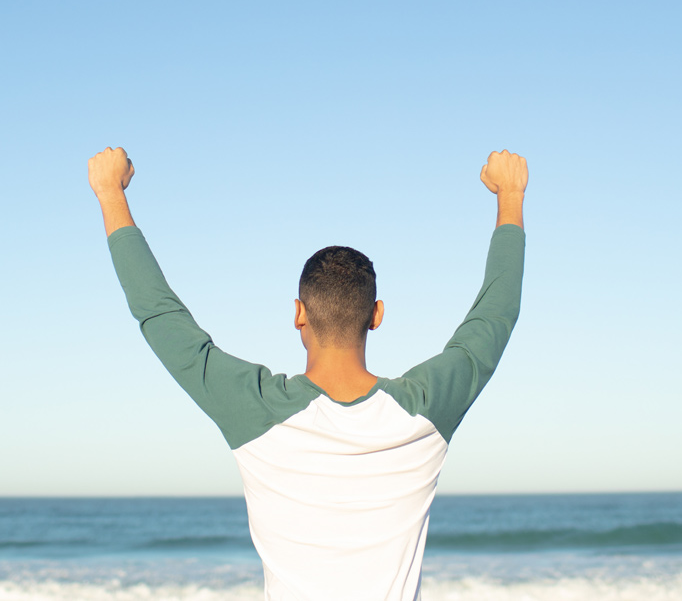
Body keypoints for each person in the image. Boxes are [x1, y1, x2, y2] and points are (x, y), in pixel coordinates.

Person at [88, 147, 527, 600]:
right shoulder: (426, 409)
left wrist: (109, 192)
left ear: (299, 313)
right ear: (376, 315)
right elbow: (494, 317)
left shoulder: (255, 409)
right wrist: (510, 195)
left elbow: (160, 317)